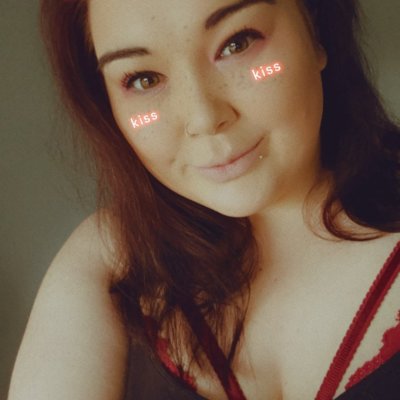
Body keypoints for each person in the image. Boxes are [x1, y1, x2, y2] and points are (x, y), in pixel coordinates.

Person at [7, 0, 400, 399]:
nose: (204, 118)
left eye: (237, 44)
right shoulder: (110, 260)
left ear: (315, 28)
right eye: (143, 80)